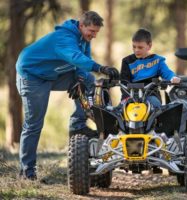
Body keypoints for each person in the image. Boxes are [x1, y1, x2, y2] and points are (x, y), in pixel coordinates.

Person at [16, 11, 118, 180]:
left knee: (88, 79)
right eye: (91, 31)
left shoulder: (82, 38)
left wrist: (79, 78)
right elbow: (75, 57)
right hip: (33, 76)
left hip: (53, 74)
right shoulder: (63, 38)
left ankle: (77, 125)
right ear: (81, 25)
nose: (93, 36)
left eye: (96, 32)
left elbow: (83, 60)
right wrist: (102, 68)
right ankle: (27, 173)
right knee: (33, 124)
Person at [120, 28, 187, 133]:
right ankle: (118, 136)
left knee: (158, 111)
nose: (136, 50)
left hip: (150, 95)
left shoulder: (157, 60)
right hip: (130, 96)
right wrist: (127, 94)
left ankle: (160, 134)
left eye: (140, 47)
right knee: (117, 113)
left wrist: (172, 78)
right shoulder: (127, 61)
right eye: (134, 47)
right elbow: (123, 80)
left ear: (149, 46)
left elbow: (166, 72)